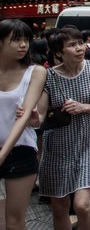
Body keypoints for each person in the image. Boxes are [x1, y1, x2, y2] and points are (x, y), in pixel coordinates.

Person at [39, 27, 90, 230]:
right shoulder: (48, 76)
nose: (80, 48)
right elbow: (40, 114)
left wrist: (84, 107)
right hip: (57, 148)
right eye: (72, 45)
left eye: (81, 43)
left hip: (89, 145)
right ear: (59, 52)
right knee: (59, 206)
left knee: (82, 205)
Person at [0, 19, 47, 230]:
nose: (23, 45)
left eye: (26, 40)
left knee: (15, 220)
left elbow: (25, 114)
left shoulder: (35, 72)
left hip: (21, 151)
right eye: (16, 40)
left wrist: (2, 155)